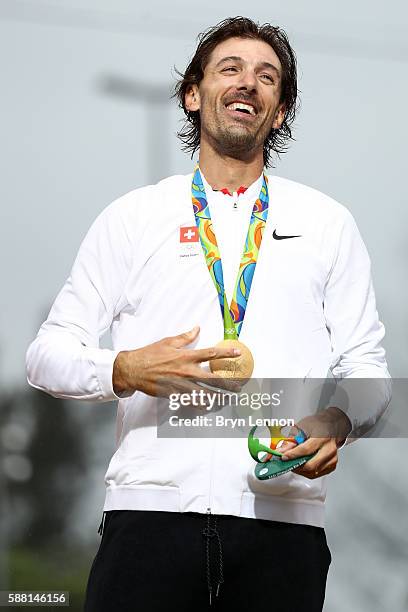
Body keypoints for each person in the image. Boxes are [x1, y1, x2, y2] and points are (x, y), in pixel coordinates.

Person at [25, 16, 391, 612]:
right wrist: (125, 369)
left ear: (279, 110)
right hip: (149, 522)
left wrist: (338, 420)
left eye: (267, 77)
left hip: (282, 522)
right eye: (231, 69)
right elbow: (47, 355)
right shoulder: (133, 217)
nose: (248, 83)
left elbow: (369, 367)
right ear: (193, 95)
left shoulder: (328, 224)